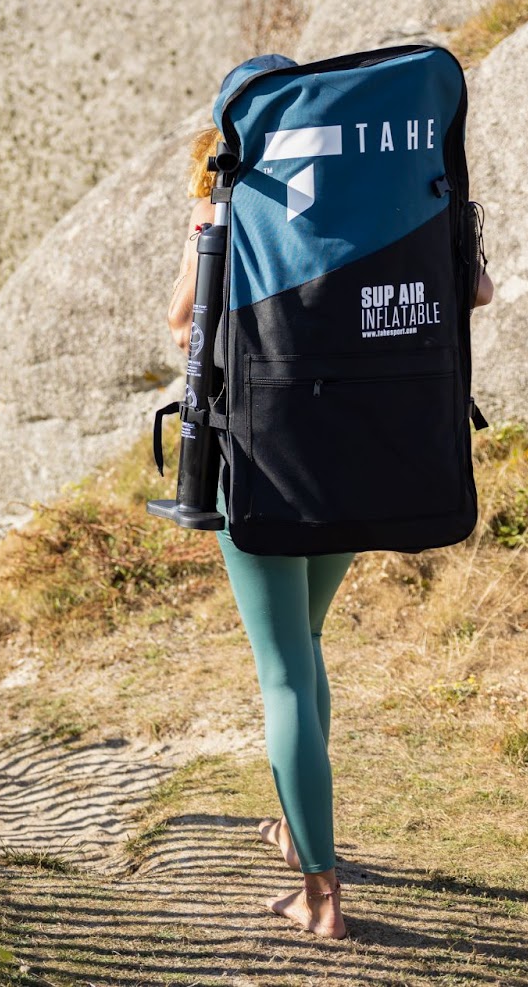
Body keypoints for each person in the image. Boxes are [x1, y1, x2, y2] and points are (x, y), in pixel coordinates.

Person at [165, 125, 495, 939]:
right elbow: (478, 291)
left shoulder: (226, 206)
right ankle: (291, 827)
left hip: (263, 467)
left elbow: (183, 327)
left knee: (283, 674)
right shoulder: (372, 208)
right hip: (353, 457)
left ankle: (320, 893)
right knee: (307, 646)